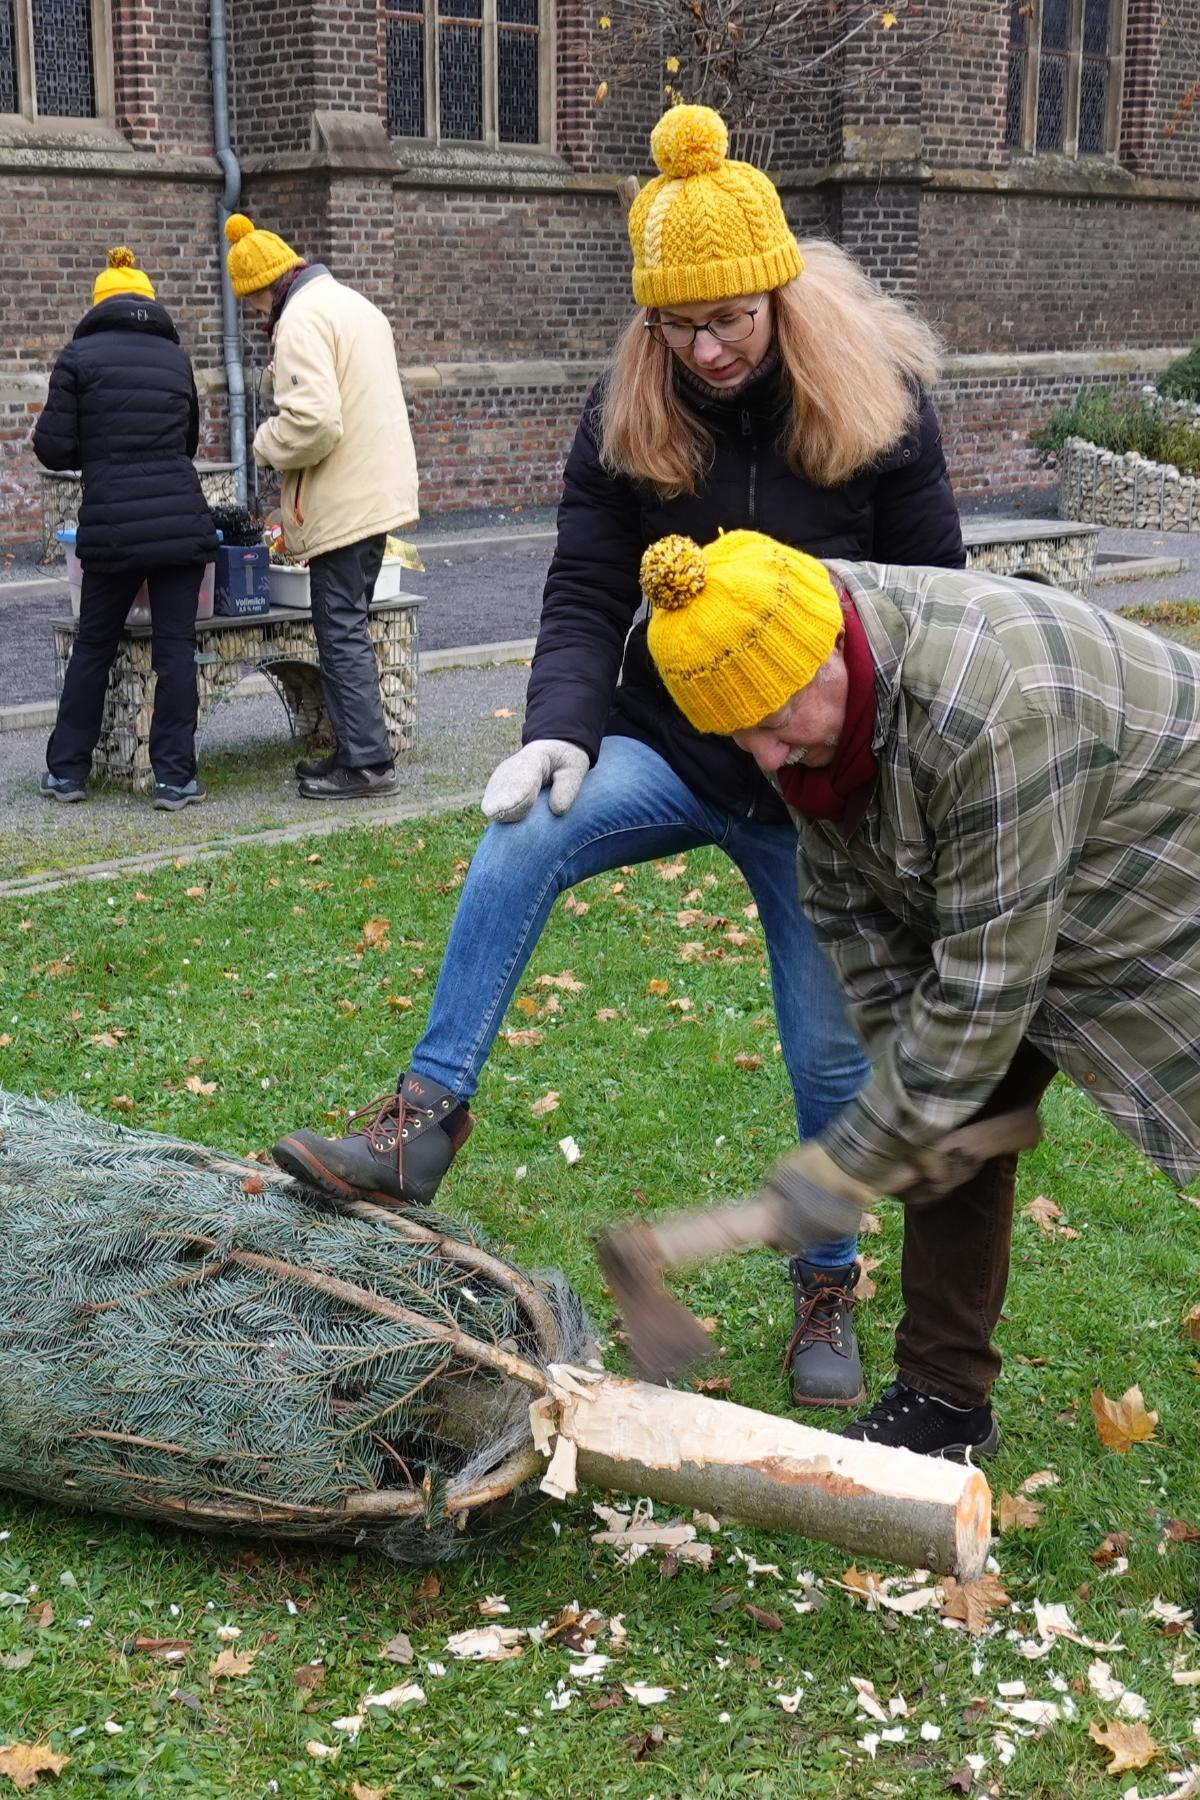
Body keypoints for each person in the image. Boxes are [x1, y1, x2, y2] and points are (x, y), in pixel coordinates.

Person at [270, 102, 966, 1410]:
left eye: (731, 320)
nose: (707, 348)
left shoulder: (878, 404)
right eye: (680, 325)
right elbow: (588, 585)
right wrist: (555, 729)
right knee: (521, 835)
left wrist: (886, 774)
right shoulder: (631, 407)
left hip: (817, 786)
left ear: (775, 297)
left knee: (826, 1055)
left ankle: (826, 1281)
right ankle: (421, 1122)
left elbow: (936, 603)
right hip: (670, 746)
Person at [639, 524, 1200, 1456]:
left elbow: (984, 995)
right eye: (738, 736)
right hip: (1022, 860)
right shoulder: (792, 660)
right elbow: (851, 908)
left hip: (1163, 852)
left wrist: (848, 1161)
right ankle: (944, 1403)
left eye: (774, 723)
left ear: (832, 654)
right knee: (935, 1094)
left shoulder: (990, 710)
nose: (767, 758)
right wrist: (906, 1110)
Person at [224, 213, 418, 800]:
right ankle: (355, 751)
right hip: (376, 490)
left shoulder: (300, 320)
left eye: (252, 304)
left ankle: (365, 765)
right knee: (346, 624)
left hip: (346, 498)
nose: (256, 315)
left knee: (339, 631)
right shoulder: (351, 303)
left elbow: (315, 422)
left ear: (263, 287)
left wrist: (264, 445)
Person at [34, 246, 217, 811]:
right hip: (179, 521)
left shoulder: (77, 358)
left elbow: (52, 447)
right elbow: (187, 441)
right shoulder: (175, 359)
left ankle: (67, 773)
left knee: (94, 645)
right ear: (148, 301)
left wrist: (99, 449)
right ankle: (174, 779)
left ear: (100, 305)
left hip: (112, 525)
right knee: (176, 652)